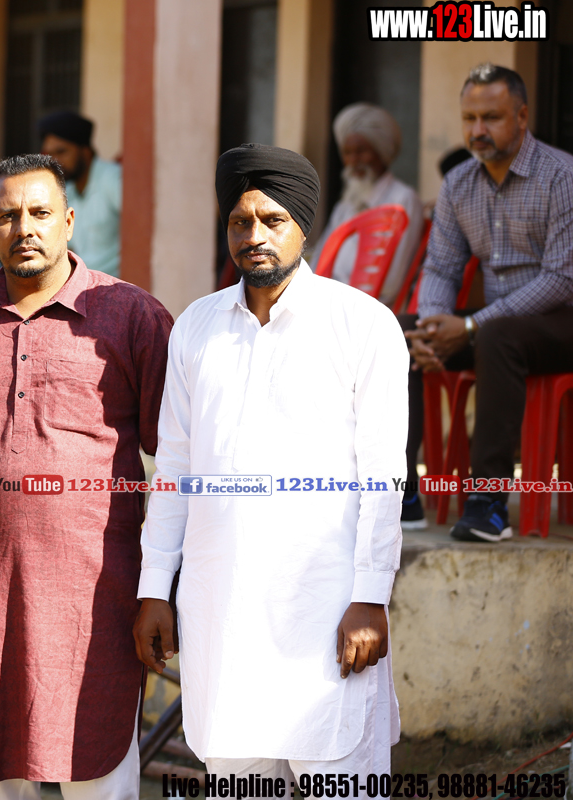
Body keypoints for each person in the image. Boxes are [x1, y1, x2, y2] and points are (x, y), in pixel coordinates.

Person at [134, 143, 405, 782]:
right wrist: (154, 588)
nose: (253, 235)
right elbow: (174, 468)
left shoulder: (361, 324)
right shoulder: (196, 327)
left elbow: (384, 476)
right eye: (240, 221)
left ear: (303, 226)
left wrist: (371, 597)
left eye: (272, 220)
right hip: (221, 616)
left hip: (326, 613)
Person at [0, 154, 173, 798]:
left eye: (40, 213)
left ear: (68, 221)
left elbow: (177, 459)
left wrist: (162, 588)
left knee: (98, 772)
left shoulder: (130, 314)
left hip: (98, 602)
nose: (25, 228)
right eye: (8, 216)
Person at [402, 63, 573, 541]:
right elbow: (441, 267)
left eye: (491, 118)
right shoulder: (459, 183)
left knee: (496, 336)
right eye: (469, 118)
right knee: (398, 330)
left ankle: (488, 502)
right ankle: (403, 493)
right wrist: (432, 326)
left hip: (561, 321)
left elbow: (561, 279)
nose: (478, 130)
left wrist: (471, 326)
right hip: (498, 327)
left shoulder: (561, 176)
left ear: (521, 116)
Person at [314, 103, 423, 304]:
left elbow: (392, 282)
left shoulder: (403, 199)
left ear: (381, 151)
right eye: (347, 152)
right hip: (327, 303)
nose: (354, 160)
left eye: (362, 151)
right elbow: (319, 262)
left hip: (368, 308)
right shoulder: (345, 205)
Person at [39, 110, 122, 278]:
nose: (54, 161)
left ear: (85, 151)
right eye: (49, 154)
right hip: (84, 285)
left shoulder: (112, 178)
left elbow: (139, 235)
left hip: (118, 286)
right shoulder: (66, 191)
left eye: (61, 152)